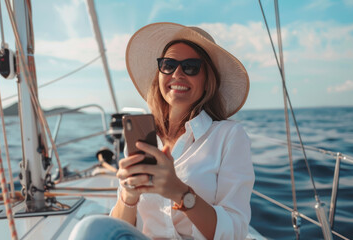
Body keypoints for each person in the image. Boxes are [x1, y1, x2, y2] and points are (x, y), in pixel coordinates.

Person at [70, 22, 254, 240]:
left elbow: (236, 232)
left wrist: (181, 193)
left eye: (191, 66)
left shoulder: (228, 136)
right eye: (168, 65)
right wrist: (129, 194)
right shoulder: (144, 140)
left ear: (207, 81)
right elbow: (119, 228)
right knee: (90, 228)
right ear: (159, 75)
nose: (177, 73)